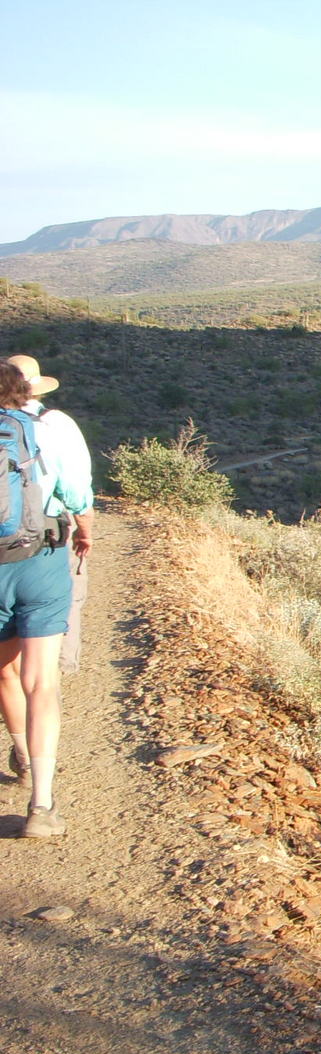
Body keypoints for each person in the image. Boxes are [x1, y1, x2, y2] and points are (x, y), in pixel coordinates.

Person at [0, 358, 94, 838]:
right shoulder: (51, 428)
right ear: (30, 389)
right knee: (41, 681)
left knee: (5, 672)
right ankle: (41, 805)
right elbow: (77, 494)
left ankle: (20, 755)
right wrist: (85, 532)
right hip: (40, 558)